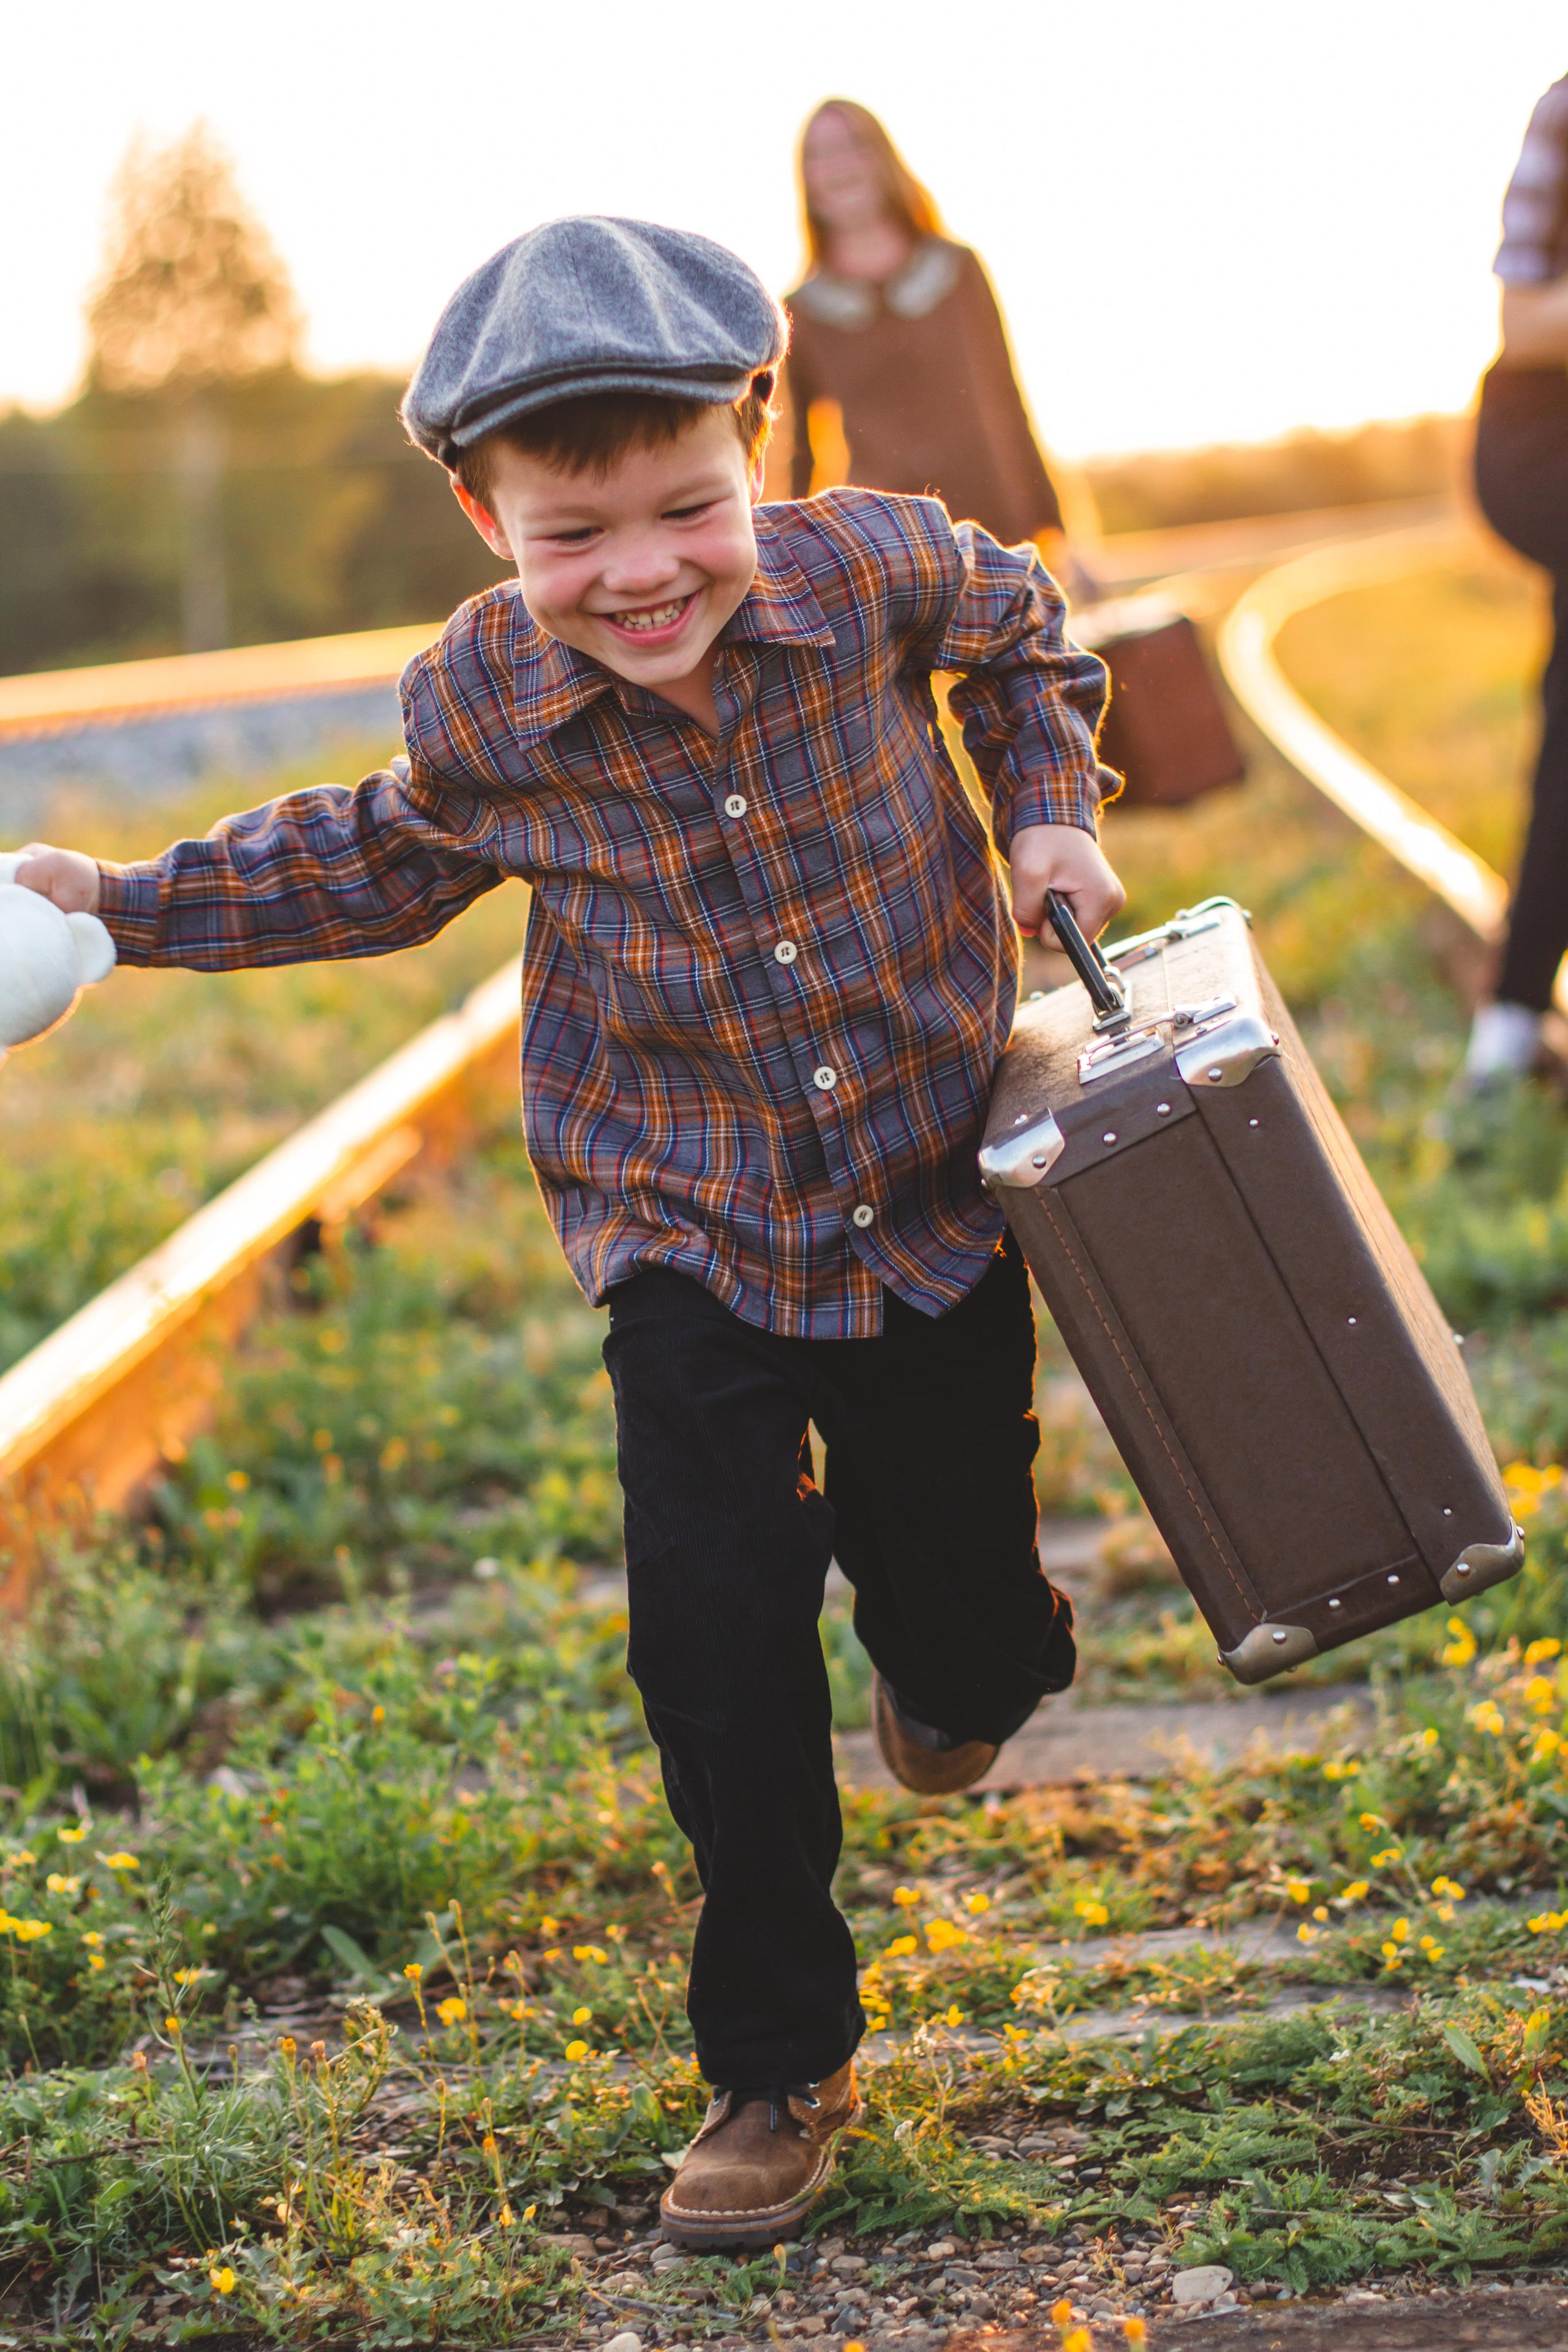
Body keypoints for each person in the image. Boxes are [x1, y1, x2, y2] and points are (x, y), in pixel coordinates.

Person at [11, 216, 1121, 2246]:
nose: (641, 574)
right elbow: (367, 855)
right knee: (711, 1644)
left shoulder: (871, 565)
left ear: (760, 449)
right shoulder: (490, 706)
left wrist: (1049, 800)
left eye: (689, 508)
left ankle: (964, 1665)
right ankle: (777, 2062)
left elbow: (1027, 629)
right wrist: (122, 905)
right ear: (483, 517)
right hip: (677, 1208)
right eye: (570, 534)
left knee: (968, 1630)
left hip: (931, 1185)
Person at [783, 100, 1073, 568]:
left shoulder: (958, 269)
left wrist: (1058, 530)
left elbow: (1009, 400)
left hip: (995, 532)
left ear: (882, 157)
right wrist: (783, 565)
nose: (837, 164)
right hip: (888, 553)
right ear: (806, 181)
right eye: (818, 153)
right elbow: (801, 453)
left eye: (852, 145)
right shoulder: (802, 310)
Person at [1467, 74, 1568, 1084]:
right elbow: (1527, 321)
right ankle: (1508, 1023)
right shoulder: (1566, 109)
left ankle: (1507, 1027)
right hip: (1544, 436)